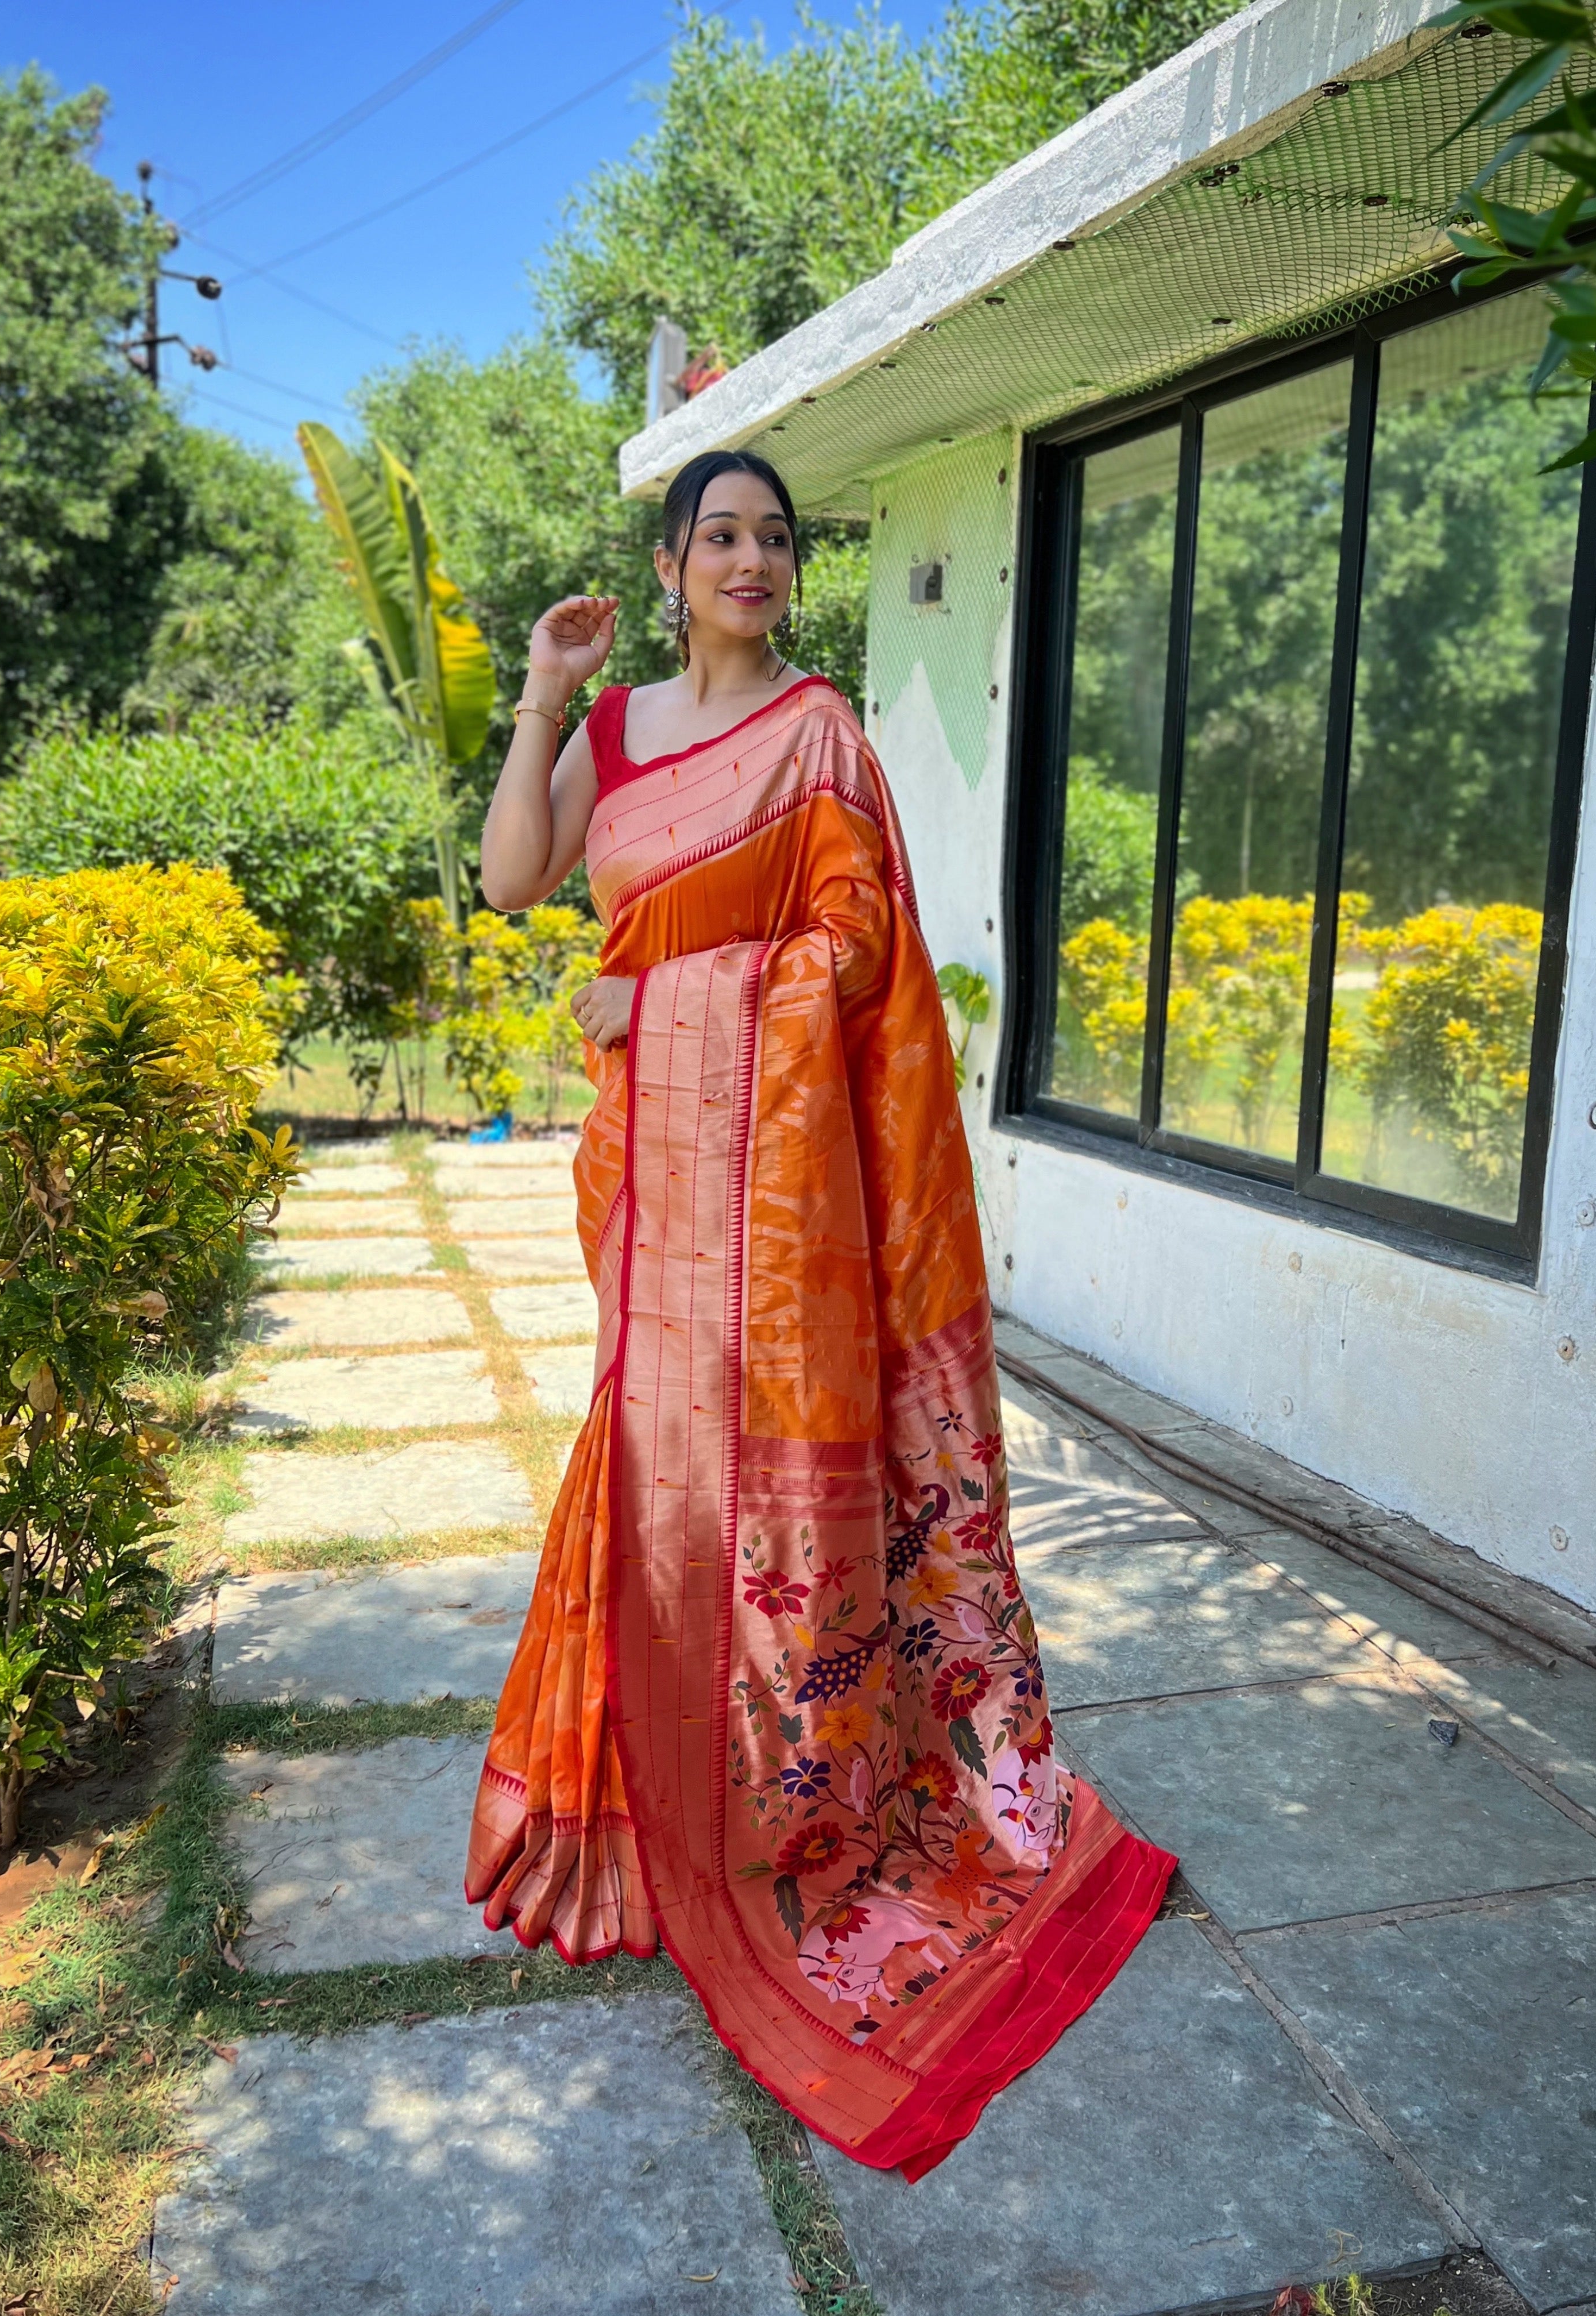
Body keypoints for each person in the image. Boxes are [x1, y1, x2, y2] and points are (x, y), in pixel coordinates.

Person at [465, 449, 1173, 2179]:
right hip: (652, 1178)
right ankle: (639, 1812)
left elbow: (854, 957)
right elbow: (513, 880)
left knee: (771, 1490)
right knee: (658, 1475)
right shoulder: (616, 726)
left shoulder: (822, 735)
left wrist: (666, 993)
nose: (752, 559)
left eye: (775, 539)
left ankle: (787, 1806)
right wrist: (545, 693)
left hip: (780, 1195)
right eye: (721, 535)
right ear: (670, 564)